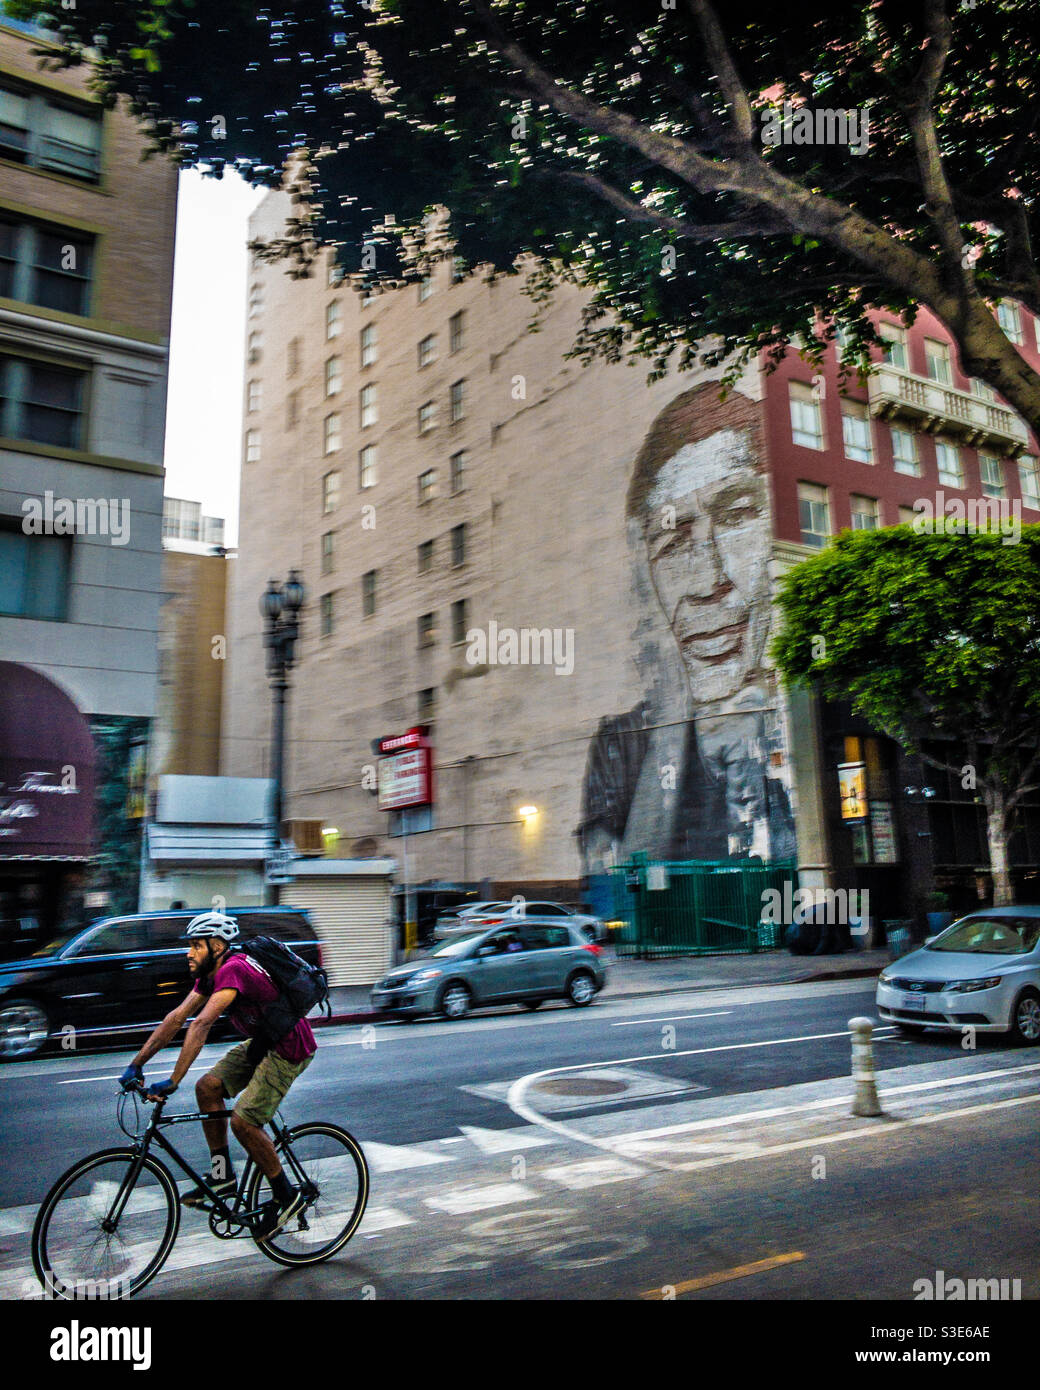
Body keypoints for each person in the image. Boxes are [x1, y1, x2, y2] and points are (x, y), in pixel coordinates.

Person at [579, 385, 797, 868]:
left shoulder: (820, 706)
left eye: (738, 515)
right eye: (672, 543)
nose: (708, 582)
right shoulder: (623, 744)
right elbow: (603, 875)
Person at [119, 910, 316, 1238]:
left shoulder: (234, 970)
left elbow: (201, 1024)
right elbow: (177, 1017)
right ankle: (223, 1176)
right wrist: (136, 1064)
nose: (189, 952)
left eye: (196, 946)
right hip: (262, 1044)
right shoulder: (211, 974)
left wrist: (172, 1081)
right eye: (190, 946)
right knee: (208, 1088)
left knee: (244, 1123)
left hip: (288, 1049)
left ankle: (287, 1196)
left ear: (217, 945)